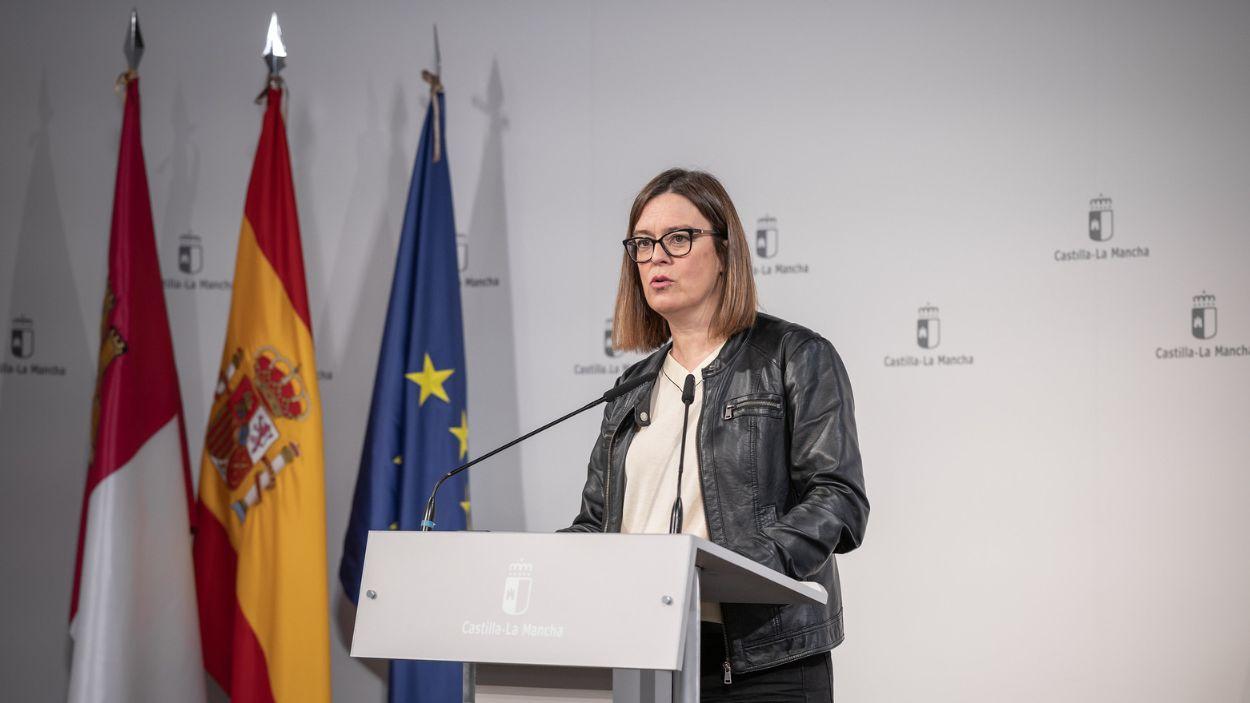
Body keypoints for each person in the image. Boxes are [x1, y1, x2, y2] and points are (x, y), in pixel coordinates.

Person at [564, 168, 869, 702]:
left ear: (726, 250)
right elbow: (596, 523)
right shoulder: (631, 387)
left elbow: (838, 499)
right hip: (644, 655)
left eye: (678, 238)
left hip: (763, 663)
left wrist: (740, 568)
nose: (656, 256)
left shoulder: (793, 357)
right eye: (642, 243)